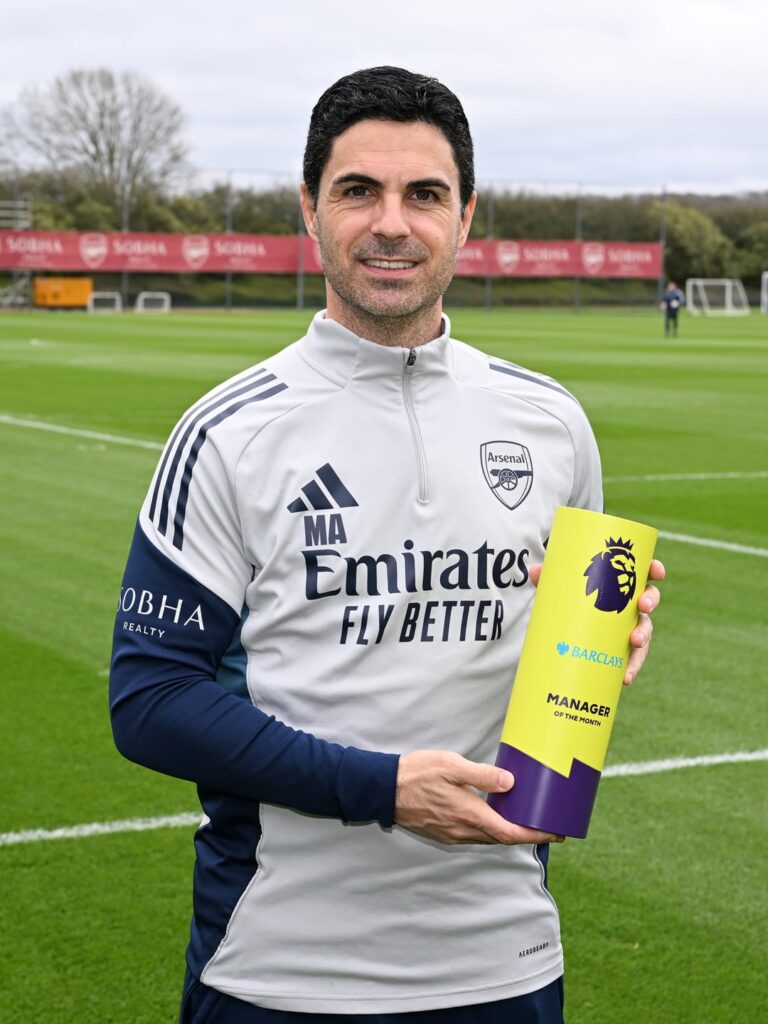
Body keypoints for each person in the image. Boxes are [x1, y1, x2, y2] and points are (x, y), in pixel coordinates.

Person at [110, 66, 664, 1024]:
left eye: (426, 195)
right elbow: (150, 699)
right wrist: (384, 789)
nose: (392, 224)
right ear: (310, 208)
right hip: (279, 971)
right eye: (359, 190)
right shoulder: (229, 434)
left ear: (467, 215)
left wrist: (602, 646)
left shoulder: (552, 423)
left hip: (508, 961)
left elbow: (560, 671)